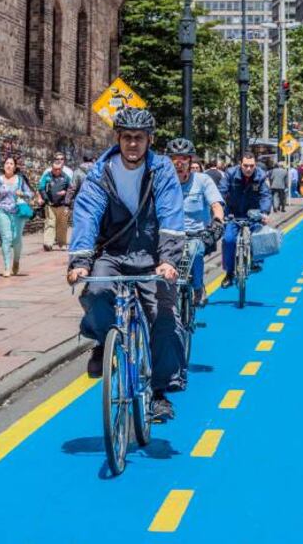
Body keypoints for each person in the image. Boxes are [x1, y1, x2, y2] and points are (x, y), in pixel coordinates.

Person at [67, 107, 186, 421]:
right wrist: (80, 261)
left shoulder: (161, 170)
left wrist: (168, 260)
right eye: (127, 137)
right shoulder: (100, 172)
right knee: (94, 291)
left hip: (151, 259)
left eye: (139, 138)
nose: (133, 144)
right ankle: (105, 342)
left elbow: (171, 216)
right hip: (114, 254)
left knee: (163, 315)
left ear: (149, 140)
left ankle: (159, 392)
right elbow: (86, 216)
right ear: (117, 138)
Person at [166, 138, 224, 307]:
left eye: (183, 158)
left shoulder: (203, 181)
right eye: (174, 158)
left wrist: (218, 220)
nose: (179, 163)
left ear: (190, 161)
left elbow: (216, 204)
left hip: (196, 235)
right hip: (169, 236)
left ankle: (198, 288)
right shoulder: (163, 181)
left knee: (194, 251)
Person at [219, 152, 272, 288]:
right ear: (240, 165)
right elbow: (221, 192)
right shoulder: (230, 174)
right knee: (228, 240)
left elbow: (265, 195)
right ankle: (229, 274)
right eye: (245, 166)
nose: (249, 169)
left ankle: (256, 262)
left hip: (253, 213)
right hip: (233, 214)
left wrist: (264, 212)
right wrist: (219, 211)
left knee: (259, 235)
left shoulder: (261, 175)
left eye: (251, 166)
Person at [0, 156, 33, 277]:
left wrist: (22, 193)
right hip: (2, 211)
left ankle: (16, 261)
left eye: (11, 164)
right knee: (6, 238)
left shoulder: (20, 180)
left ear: (15, 166)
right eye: (7, 163)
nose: (9, 165)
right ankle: (7, 267)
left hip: (18, 212)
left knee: (16, 239)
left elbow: (30, 194)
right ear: (4, 166)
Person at [38, 157, 71, 251]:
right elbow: (41, 188)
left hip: (62, 205)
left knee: (62, 225)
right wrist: (45, 199)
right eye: (55, 169)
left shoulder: (66, 177)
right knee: (49, 223)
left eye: (59, 169)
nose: (57, 171)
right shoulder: (47, 176)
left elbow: (71, 189)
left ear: (61, 168)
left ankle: (62, 244)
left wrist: (65, 192)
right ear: (52, 168)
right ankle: (48, 244)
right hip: (50, 205)